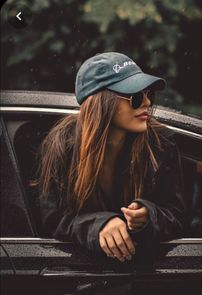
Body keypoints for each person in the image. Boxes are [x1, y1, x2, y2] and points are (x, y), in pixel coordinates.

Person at [34, 52, 186, 264]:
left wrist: (148, 215)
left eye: (148, 93)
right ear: (102, 104)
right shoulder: (62, 144)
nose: (147, 102)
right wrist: (98, 225)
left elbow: (177, 215)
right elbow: (51, 218)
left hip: (146, 272)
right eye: (135, 97)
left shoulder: (160, 144)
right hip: (78, 273)